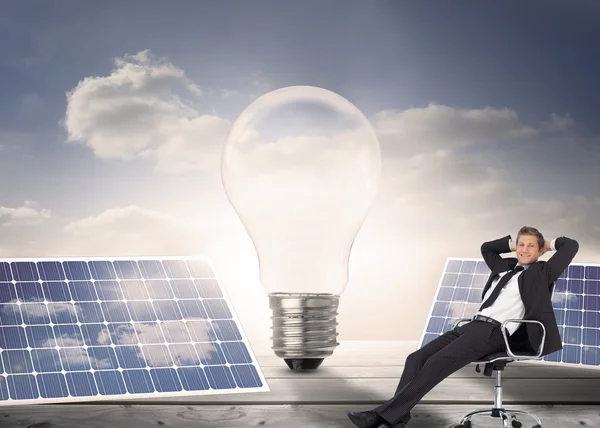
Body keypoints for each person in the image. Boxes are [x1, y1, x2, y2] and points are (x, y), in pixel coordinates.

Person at [346, 226, 579, 428]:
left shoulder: (542, 273)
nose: (524, 250)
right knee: (415, 359)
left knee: (437, 363)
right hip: (471, 326)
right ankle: (396, 418)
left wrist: (547, 245)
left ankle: (380, 416)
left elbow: (571, 246)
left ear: (539, 251)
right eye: (521, 245)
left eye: (531, 246)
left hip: (496, 333)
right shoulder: (504, 266)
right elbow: (486, 248)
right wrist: (513, 244)